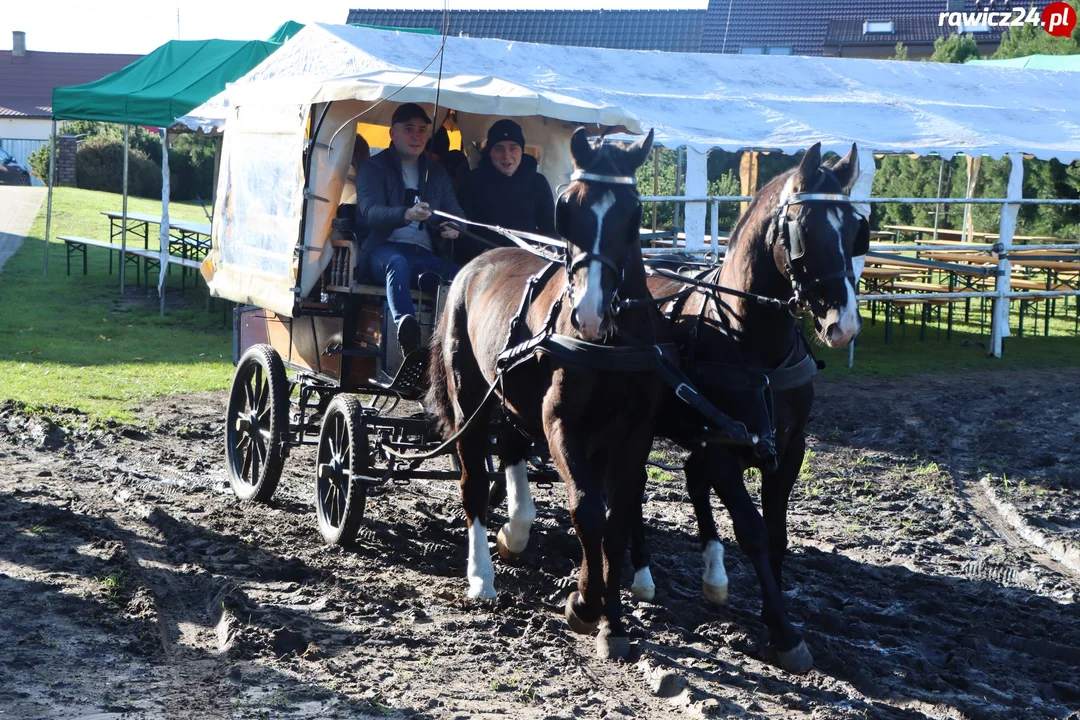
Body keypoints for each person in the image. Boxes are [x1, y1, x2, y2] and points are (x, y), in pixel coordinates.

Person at [354, 103, 463, 357]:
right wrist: (405, 214)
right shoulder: (373, 167)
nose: (416, 136)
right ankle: (408, 334)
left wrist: (454, 227)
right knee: (397, 263)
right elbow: (369, 212)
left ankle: (454, 344)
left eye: (422, 130)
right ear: (393, 133)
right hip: (382, 251)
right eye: (409, 129)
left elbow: (457, 214)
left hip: (425, 254)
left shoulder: (436, 171)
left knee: (462, 276)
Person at [456, 119, 556, 262]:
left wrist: (541, 254)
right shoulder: (472, 181)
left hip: (529, 261)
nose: (506, 155)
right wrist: (482, 252)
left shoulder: (538, 182)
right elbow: (464, 230)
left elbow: (549, 230)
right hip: (486, 262)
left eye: (513, 147)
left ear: (522, 150)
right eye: (499, 148)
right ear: (490, 152)